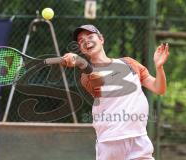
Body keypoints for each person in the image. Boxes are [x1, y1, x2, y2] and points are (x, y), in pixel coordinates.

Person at [62, 24, 169, 160]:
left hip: (139, 137)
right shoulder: (86, 76)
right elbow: (99, 80)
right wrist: (80, 62)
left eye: (90, 36)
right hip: (111, 141)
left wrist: (159, 68)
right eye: (81, 41)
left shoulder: (129, 63)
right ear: (81, 49)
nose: (86, 41)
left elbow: (159, 88)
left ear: (101, 39)